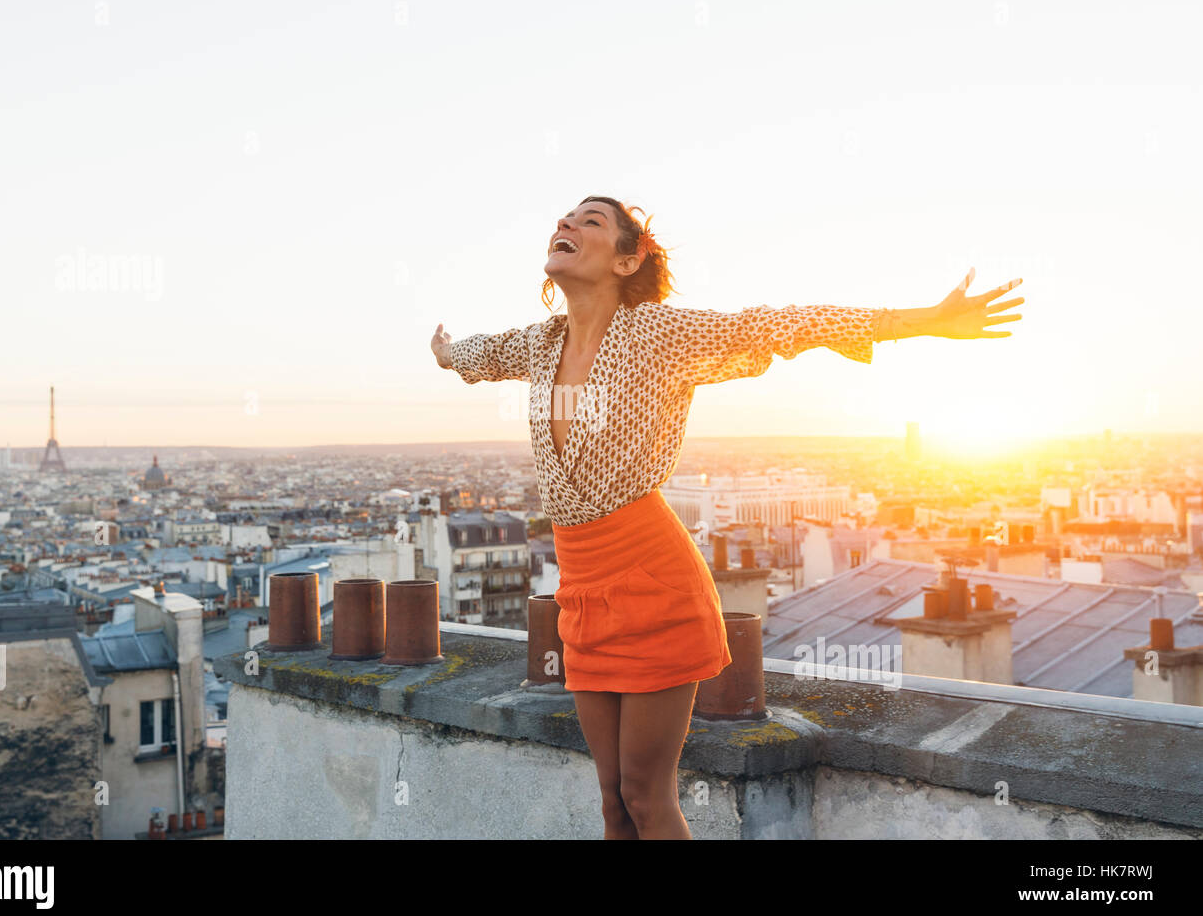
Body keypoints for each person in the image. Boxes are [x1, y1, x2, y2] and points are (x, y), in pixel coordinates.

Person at [430, 195, 1023, 839]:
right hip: (581, 591)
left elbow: (779, 325)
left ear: (629, 261)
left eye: (589, 220)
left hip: (652, 580)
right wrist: (445, 351)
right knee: (611, 800)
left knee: (646, 796)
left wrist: (925, 320)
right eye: (565, 217)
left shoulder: (657, 335)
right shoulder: (542, 345)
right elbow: (478, 355)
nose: (565, 223)